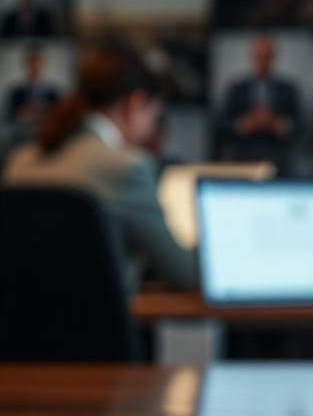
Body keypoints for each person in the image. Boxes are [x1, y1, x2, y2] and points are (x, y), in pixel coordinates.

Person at [3, 42, 197, 291]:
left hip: (21, 329)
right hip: (99, 329)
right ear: (136, 104)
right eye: (153, 116)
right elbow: (185, 273)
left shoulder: (21, 160)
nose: (152, 127)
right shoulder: (127, 169)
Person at [219, 35, 303, 173]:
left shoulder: (288, 89)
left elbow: (302, 125)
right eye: (259, 55)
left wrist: (279, 124)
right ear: (252, 56)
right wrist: (244, 124)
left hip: (279, 160)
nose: (263, 60)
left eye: (267, 56)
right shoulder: (237, 89)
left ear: (273, 57)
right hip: (243, 161)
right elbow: (221, 124)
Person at [5, 44, 59, 126]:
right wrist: (21, 113)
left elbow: (59, 116)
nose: (35, 66)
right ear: (25, 64)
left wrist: (43, 112)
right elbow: (8, 118)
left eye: (38, 62)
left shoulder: (54, 93)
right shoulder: (15, 93)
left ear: (43, 64)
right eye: (32, 62)